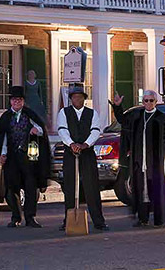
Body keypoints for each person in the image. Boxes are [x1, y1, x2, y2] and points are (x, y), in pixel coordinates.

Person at [110, 91, 165, 227]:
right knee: (140, 190)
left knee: (156, 190)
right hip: (139, 161)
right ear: (142, 102)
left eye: (151, 100)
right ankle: (143, 219)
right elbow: (122, 120)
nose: (149, 103)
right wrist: (117, 107)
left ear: (155, 102)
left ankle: (159, 220)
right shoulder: (137, 117)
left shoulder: (162, 119)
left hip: (155, 162)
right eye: (146, 101)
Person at [0, 85, 51, 228]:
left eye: (19, 100)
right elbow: (4, 139)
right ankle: (15, 217)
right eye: (14, 100)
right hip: (12, 157)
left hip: (28, 157)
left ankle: (30, 217)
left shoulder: (29, 114)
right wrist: (2, 155)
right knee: (11, 188)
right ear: (10, 101)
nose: (16, 102)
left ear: (23, 101)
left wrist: (35, 130)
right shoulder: (6, 117)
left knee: (30, 187)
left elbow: (41, 130)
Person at [57, 85, 108, 231]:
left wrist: (86, 144)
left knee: (91, 186)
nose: (77, 99)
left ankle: (99, 221)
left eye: (79, 97)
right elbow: (62, 129)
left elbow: (95, 130)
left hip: (87, 153)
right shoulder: (64, 112)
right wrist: (71, 144)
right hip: (70, 152)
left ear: (84, 99)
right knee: (70, 187)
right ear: (71, 99)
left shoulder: (92, 113)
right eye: (74, 97)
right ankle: (69, 219)